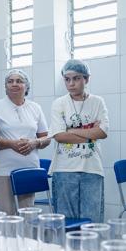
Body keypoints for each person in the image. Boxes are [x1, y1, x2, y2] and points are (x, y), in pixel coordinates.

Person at [49, 59, 109, 223]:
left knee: (92, 223)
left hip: (92, 169)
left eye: (76, 78)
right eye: (67, 79)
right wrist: (91, 132)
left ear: (86, 79)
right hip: (64, 169)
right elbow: (59, 136)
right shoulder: (59, 103)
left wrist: (72, 131)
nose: (71, 83)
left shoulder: (97, 102)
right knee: (67, 223)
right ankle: (67, 250)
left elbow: (103, 132)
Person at [0, 68, 49, 215]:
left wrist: (34, 143)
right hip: (4, 171)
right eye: (10, 81)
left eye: (19, 81)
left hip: (29, 169)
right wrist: (12, 144)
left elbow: (46, 137)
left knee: (28, 217)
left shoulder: (35, 108)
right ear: (6, 87)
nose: (14, 84)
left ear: (26, 86)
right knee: (7, 218)